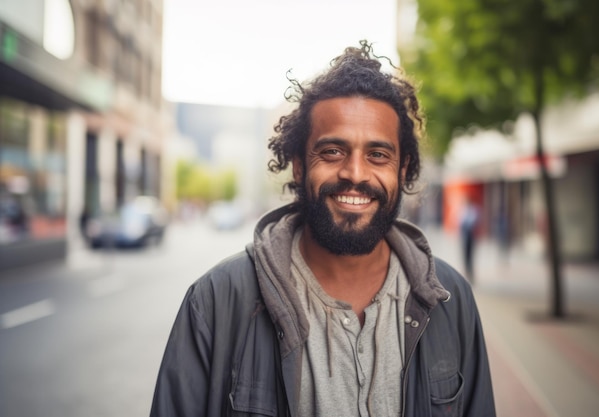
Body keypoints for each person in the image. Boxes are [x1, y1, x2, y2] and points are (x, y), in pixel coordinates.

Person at [150, 40, 495, 417]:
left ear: (402, 168)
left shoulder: (450, 299)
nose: (355, 173)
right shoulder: (216, 301)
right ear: (299, 165)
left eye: (378, 155)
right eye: (332, 152)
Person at [459, 196, 480, 283]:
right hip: (464, 235)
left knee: (470, 256)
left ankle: (471, 275)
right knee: (464, 256)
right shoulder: (463, 210)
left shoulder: (473, 210)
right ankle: (466, 273)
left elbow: (473, 222)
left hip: (470, 236)